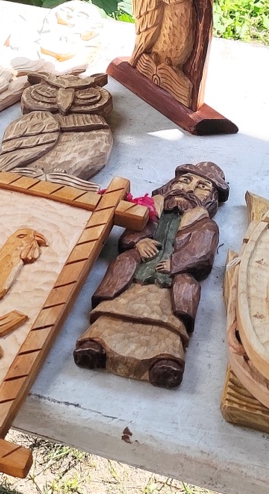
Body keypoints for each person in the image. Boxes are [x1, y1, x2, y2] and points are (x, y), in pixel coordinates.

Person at [73, 162, 228, 388]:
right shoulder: (149, 209)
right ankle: (96, 343)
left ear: (211, 198)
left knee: (172, 311)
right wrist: (139, 242)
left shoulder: (205, 225)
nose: (190, 189)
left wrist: (175, 263)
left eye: (202, 187)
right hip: (136, 272)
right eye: (185, 181)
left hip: (170, 282)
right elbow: (131, 234)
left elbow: (202, 254)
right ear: (171, 184)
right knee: (120, 280)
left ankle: (165, 359)